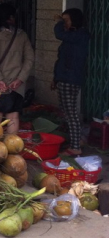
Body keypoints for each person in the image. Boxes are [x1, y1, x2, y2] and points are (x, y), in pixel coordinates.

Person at [0, 3, 34, 135]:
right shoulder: (21, 35)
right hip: (15, 85)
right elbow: (29, 59)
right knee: (13, 117)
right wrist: (20, 79)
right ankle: (12, 150)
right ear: (10, 17)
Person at [51, 8, 90, 155]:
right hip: (64, 77)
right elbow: (61, 59)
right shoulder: (72, 35)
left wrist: (58, 23)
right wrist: (55, 78)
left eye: (66, 20)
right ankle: (77, 139)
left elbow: (58, 34)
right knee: (66, 110)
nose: (64, 23)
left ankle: (75, 147)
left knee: (70, 112)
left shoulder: (80, 35)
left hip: (71, 78)